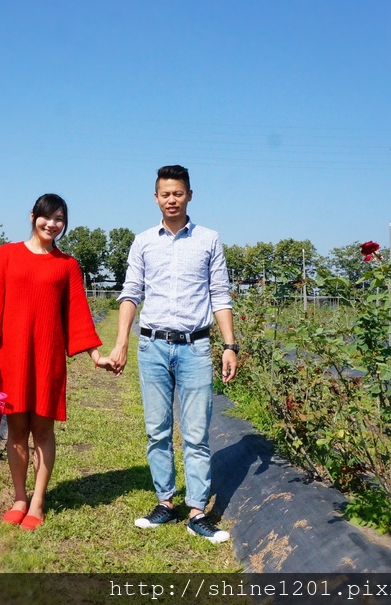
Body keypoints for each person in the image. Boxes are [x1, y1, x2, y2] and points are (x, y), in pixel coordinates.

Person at [0, 193, 116, 531]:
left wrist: (96, 355)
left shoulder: (67, 265)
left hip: (47, 358)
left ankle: (37, 502)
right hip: (11, 355)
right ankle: (19, 497)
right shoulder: (7, 254)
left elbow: (77, 314)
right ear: (33, 216)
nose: (52, 224)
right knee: (17, 430)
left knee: (43, 431)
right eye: (47, 217)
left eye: (59, 219)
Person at [110, 165, 238, 544]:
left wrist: (229, 345)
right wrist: (121, 342)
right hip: (152, 345)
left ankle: (197, 511)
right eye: (165, 194)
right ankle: (165, 502)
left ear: (189, 196)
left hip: (196, 346)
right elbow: (131, 292)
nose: (171, 199)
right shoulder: (143, 241)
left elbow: (220, 294)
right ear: (156, 197)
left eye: (177, 193)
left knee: (197, 433)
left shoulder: (209, 239)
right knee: (157, 430)